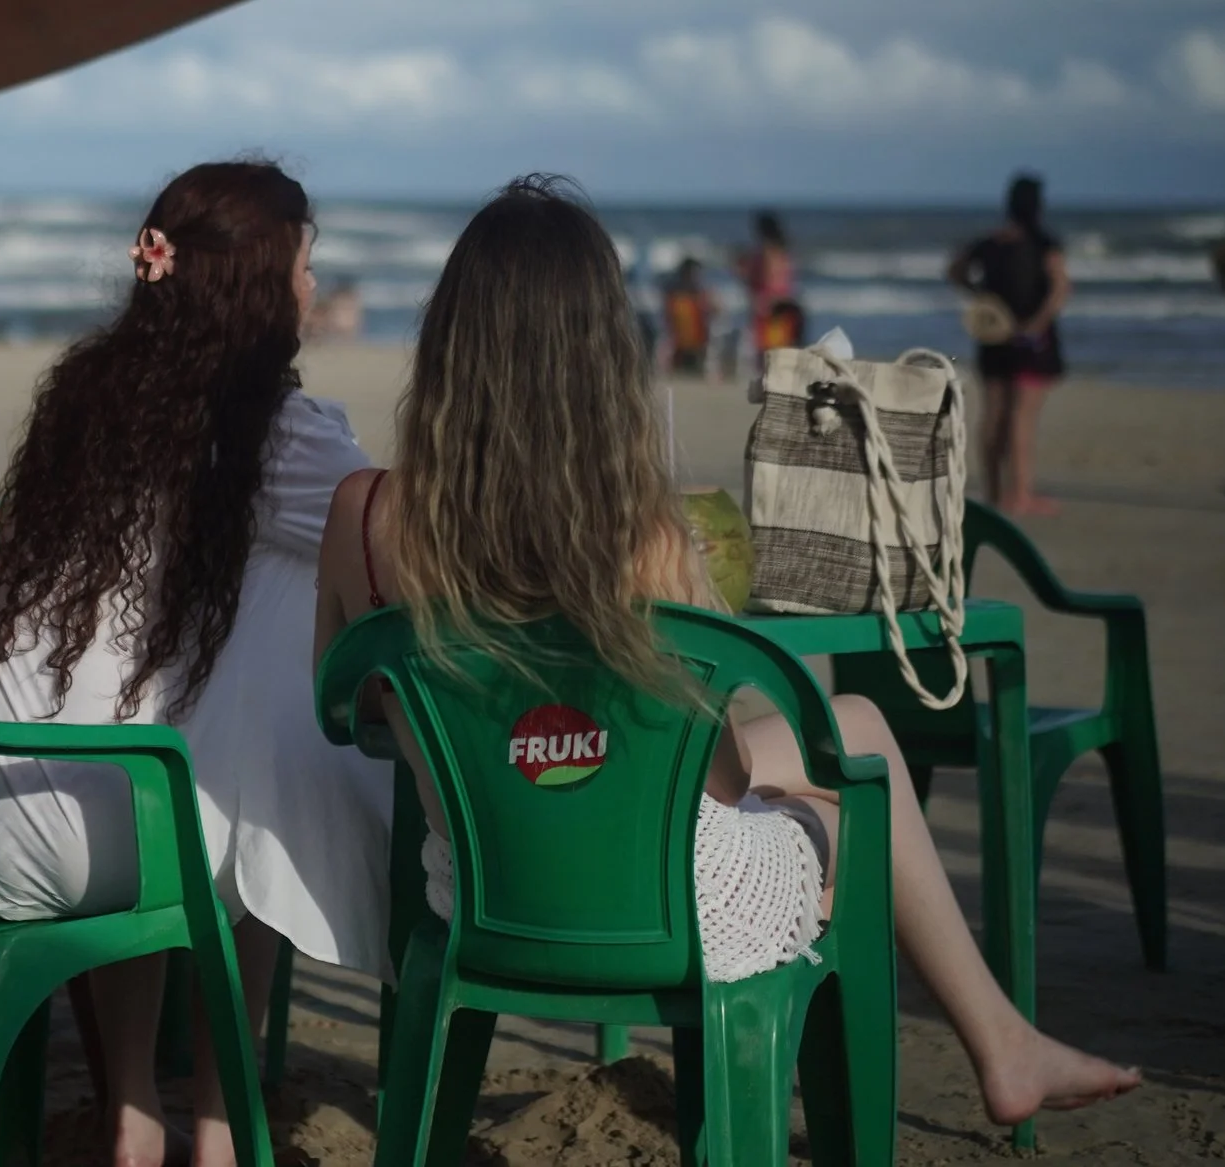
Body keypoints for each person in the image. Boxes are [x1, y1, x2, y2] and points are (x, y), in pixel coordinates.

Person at [314, 176, 1138, 1129]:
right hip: (669, 907)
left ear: (448, 338)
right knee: (855, 751)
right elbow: (724, 769)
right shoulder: (643, 537)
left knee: (844, 729)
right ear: (599, 351)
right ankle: (1002, 1044)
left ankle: (1007, 1044)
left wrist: (506, 730)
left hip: (482, 881)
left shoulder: (363, 515)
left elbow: (346, 707)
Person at [0, 162, 388, 1167]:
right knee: (261, 693)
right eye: (303, 267)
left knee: (200, 695)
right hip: (83, 829)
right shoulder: (281, 435)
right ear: (254, 287)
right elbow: (378, 540)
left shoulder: (85, 398)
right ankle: (226, 1127)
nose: (312, 290)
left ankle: (132, 1109)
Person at [949, 175, 1071, 517]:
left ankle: (994, 493)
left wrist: (980, 300)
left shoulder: (990, 242)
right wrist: (1036, 324)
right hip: (1030, 339)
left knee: (994, 415)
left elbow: (955, 270)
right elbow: (1060, 288)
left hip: (994, 335)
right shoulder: (1044, 243)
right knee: (1022, 418)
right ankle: (1021, 495)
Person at [738, 210, 803, 366]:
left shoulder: (765, 253)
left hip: (768, 307)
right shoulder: (785, 252)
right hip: (788, 305)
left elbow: (764, 280)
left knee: (764, 356)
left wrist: (744, 272)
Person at [661, 257, 716, 377]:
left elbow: (711, 315)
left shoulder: (701, 294)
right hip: (680, 345)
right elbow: (668, 320)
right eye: (693, 273)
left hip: (697, 344)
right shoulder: (676, 295)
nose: (696, 277)